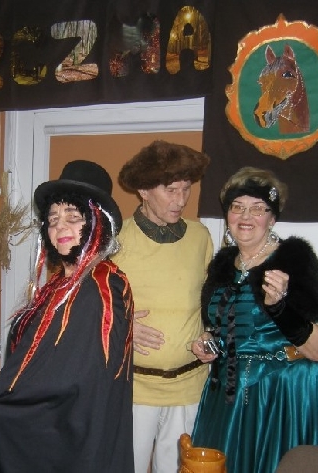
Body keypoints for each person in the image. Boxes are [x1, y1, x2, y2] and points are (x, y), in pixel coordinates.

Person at [0, 160, 134, 472]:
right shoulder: (59, 285)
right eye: (53, 219)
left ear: (97, 223)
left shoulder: (101, 285)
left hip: (77, 442)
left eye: (73, 217)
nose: (60, 227)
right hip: (56, 431)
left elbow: (77, 371)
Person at [189, 167, 318, 473]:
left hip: (281, 392)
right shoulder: (222, 265)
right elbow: (224, 328)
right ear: (228, 215)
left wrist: (280, 307)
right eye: (238, 207)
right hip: (227, 392)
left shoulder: (294, 260)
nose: (246, 216)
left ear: (272, 219)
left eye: (258, 209)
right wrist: (209, 342)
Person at [112, 140, 214, 473]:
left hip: (189, 387)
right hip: (134, 388)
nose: (181, 200)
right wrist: (122, 325)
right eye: (171, 190)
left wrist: (211, 336)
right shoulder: (116, 240)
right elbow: (88, 306)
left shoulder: (200, 237)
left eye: (186, 189)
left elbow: (212, 302)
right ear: (143, 190)